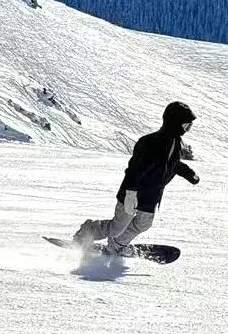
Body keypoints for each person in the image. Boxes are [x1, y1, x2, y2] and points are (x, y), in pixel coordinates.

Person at [74, 102, 199, 255]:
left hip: (151, 195)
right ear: (175, 123)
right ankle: (87, 232)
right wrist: (131, 193)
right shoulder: (149, 142)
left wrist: (189, 174)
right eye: (186, 126)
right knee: (117, 227)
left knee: (143, 224)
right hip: (132, 192)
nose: (187, 130)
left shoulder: (176, 144)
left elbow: (172, 164)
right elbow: (134, 170)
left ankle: (116, 245)